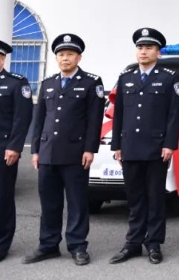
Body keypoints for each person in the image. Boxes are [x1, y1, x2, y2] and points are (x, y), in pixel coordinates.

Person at [24, 34, 104, 266]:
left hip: (75, 153)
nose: (65, 58)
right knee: (49, 202)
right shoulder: (48, 83)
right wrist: (36, 150)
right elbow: (39, 120)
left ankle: (77, 246)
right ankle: (48, 245)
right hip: (48, 152)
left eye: (70, 54)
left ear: (79, 57)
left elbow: (94, 120)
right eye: (61, 54)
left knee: (77, 202)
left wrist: (90, 149)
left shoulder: (91, 82)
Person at [108, 28, 179, 265]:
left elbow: (174, 113)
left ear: (158, 53)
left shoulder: (169, 77)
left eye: (149, 48)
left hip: (156, 148)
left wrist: (170, 144)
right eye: (140, 47)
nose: (143, 51)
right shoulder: (125, 78)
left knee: (155, 198)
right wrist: (117, 145)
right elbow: (118, 114)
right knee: (135, 198)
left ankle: (153, 243)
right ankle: (133, 243)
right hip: (130, 147)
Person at [0, 40, 34, 262]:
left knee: (2, 197)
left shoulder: (16, 83)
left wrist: (14, 146)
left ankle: (2, 243)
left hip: (3, 150)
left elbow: (22, 119)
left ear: (3, 59)